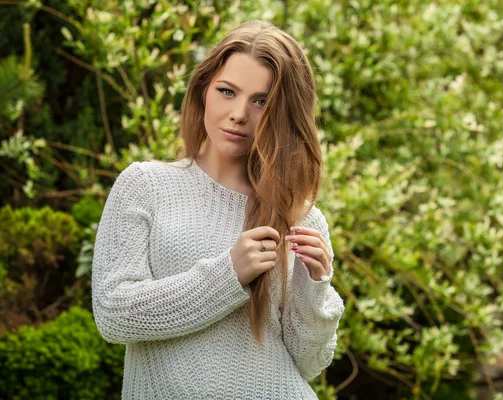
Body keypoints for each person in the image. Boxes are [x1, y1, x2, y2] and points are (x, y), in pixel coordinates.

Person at [91, 20, 345, 399]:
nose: (240, 113)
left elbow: (309, 363)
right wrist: (229, 275)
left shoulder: (302, 217)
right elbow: (114, 315)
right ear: (203, 91)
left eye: (262, 101)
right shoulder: (145, 185)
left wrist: (316, 287)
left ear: (283, 113)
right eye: (227, 91)